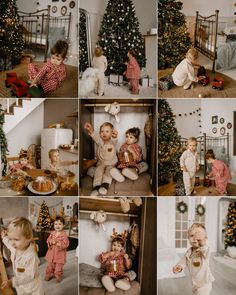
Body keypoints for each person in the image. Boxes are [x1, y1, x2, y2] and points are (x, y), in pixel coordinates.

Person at [1, 217, 44, 295]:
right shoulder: (15, 247)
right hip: (20, 285)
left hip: (32, 287)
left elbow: (30, 275)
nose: (12, 243)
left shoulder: (31, 256)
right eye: (11, 239)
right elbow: (8, 243)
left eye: (16, 239)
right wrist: (4, 237)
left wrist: (12, 282)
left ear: (28, 238)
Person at [173, 223, 214, 295]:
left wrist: (203, 243)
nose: (195, 238)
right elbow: (184, 260)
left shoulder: (203, 252)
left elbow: (206, 249)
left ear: (205, 238)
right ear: (188, 238)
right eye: (192, 236)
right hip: (195, 283)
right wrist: (180, 266)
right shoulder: (189, 252)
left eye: (199, 236)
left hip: (204, 284)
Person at [84, 122, 118, 196]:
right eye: (102, 131)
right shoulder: (100, 142)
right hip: (101, 163)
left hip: (111, 163)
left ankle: (105, 186)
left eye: (107, 131)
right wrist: (91, 129)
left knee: (109, 171)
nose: (104, 133)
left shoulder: (112, 142)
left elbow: (114, 140)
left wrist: (114, 136)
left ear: (111, 133)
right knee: (98, 171)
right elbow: (95, 136)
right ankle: (96, 187)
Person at [45, 216, 69, 283]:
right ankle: (49, 274)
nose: (57, 226)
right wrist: (50, 241)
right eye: (56, 224)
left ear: (63, 225)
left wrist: (59, 243)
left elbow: (66, 244)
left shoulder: (64, 235)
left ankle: (58, 276)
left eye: (60, 224)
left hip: (59, 255)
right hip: (51, 254)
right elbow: (48, 240)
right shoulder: (52, 233)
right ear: (54, 225)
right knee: (50, 266)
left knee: (58, 268)